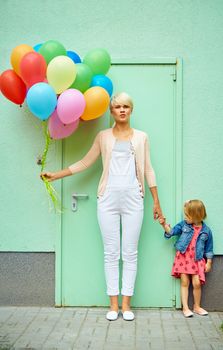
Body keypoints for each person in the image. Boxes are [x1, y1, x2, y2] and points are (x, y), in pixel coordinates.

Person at [41, 92, 164, 321]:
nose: (122, 110)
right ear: (111, 111)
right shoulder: (103, 136)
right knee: (111, 253)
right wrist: (56, 175)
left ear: (131, 110)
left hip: (133, 199)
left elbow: (148, 169)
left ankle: (126, 305)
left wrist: (156, 201)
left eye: (126, 106)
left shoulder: (142, 137)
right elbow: (86, 162)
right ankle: (113, 305)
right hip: (107, 199)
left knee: (130, 253)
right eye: (117, 107)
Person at [160, 199, 214, 317]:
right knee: (184, 282)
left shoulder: (206, 231)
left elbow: (209, 248)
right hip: (184, 258)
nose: (185, 217)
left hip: (197, 259)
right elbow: (172, 232)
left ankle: (197, 306)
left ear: (196, 215)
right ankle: (185, 308)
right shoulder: (183, 225)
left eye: (187, 215)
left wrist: (209, 262)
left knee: (197, 283)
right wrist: (164, 226)